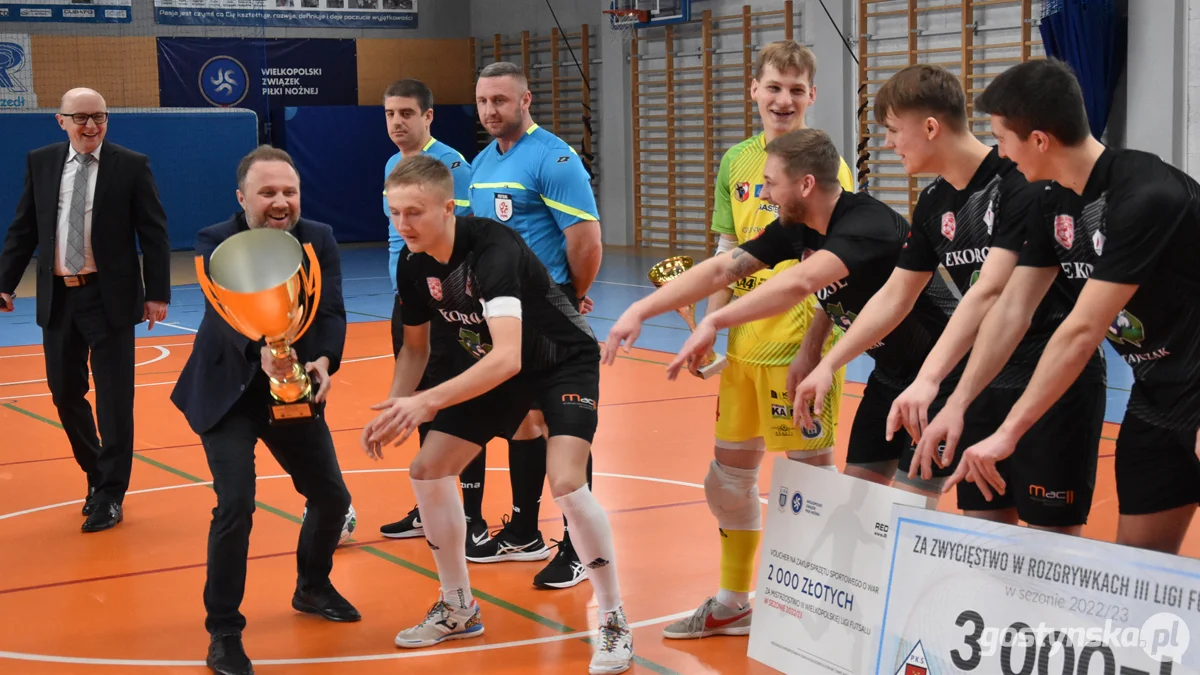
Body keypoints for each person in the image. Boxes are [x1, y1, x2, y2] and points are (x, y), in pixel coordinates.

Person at [788, 64, 1104, 535]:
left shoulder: (1019, 180)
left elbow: (988, 292)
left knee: (1048, 545)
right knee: (985, 533)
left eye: (894, 130)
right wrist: (828, 363)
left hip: (1052, 376)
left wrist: (931, 379)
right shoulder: (934, 202)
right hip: (986, 376)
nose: (889, 143)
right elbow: (895, 295)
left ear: (931, 127)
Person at [363, 154, 632, 673]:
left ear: (448, 208)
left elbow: (510, 356)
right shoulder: (413, 261)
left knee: (568, 482)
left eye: (414, 212)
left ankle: (615, 619)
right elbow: (415, 350)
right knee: (427, 468)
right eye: (394, 213)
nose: (403, 225)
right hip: (491, 369)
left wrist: (427, 401)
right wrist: (399, 404)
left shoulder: (492, 247)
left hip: (558, 362)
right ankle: (459, 606)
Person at [921, 58, 1200, 555]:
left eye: (1002, 138)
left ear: (1040, 140)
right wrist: (957, 403)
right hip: (1157, 396)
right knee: (1142, 576)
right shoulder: (1052, 200)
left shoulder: (1144, 195)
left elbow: (1081, 329)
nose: (999, 152)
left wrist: (1008, 433)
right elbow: (1011, 309)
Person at [656, 40, 855, 640]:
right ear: (755, 91)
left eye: (796, 90)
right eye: (774, 87)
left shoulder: (831, 165)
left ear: (812, 97)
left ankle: (815, 605)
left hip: (800, 346)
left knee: (811, 482)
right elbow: (726, 257)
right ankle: (733, 601)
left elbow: (837, 267)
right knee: (726, 481)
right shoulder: (736, 162)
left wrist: (813, 351)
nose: (784, 99)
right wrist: (709, 333)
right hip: (743, 349)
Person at [170, 146, 359, 675]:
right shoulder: (215, 240)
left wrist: (322, 361)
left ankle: (313, 587)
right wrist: (263, 355)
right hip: (229, 392)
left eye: (290, 192)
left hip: (292, 392)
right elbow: (227, 316)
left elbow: (333, 307)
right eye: (268, 192)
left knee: (330, 497)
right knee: (237, 504)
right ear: (242, 198)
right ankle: (224, 631)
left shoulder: (317, 237)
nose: (281, 202)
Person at [0, 87, 171, 533]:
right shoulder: (41, 162)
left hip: (109, 298)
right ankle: (98, 474)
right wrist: (3, 283)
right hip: (58, 297)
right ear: (61, 121)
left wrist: (157, 292)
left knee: (115, 400)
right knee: (63, 393)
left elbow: (154, 233)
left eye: (99, 117)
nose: (91, 125)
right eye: (81, 118)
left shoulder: (132, 165)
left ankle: (111, 494)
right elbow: (24, 229)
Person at [464, 60, 603, 589]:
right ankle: (524, 530)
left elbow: (585, 240)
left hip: (547, 312)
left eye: (500, 100)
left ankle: (576, 548)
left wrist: (572, 296)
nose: (490, 110)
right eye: (483, 102)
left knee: (563, 426)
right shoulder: (481, 162)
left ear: (525, 101)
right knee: (520, 422)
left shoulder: (555, 158)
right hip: (502, 315)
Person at [373, 78, 486, 544]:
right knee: (422, 403)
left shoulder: (451, 164)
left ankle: (473, 516)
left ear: (428, 117)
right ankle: (432, 508)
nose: (397, 122)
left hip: (448, 303)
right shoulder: (391, 163)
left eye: (406, 113)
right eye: (390, 114)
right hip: (409, 301)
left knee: (456, 404)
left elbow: (470, 234)